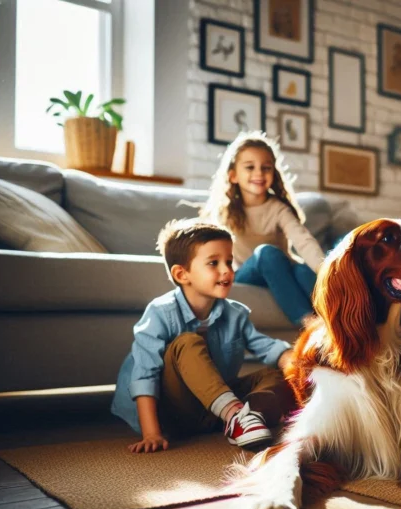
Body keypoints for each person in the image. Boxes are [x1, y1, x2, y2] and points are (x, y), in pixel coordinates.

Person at [111, 219, 294, 453]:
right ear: (182, 273)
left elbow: (268, 348)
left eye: (229, 261)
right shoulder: (160, 312)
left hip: (213, 408)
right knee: (186, 342)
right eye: (213, 263)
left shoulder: (235, 313)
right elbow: (144, 375)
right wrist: (151, 433)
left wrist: (299, 363)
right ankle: (236, 415)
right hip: (173, 413)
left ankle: (247, 417)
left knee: (276, 372)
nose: (226, 270)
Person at [201, 131, 325, 325]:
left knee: (303, 271)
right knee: (266, 253)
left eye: (266, 168)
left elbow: (303, 240)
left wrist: (326, 269)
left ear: (273, 173)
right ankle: (308, 322)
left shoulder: (278, 209)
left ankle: (338, 319)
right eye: (250, 167)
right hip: (246, 274)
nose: (259, 173)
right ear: (233, 175)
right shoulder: (224, 212)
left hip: (281, 273)